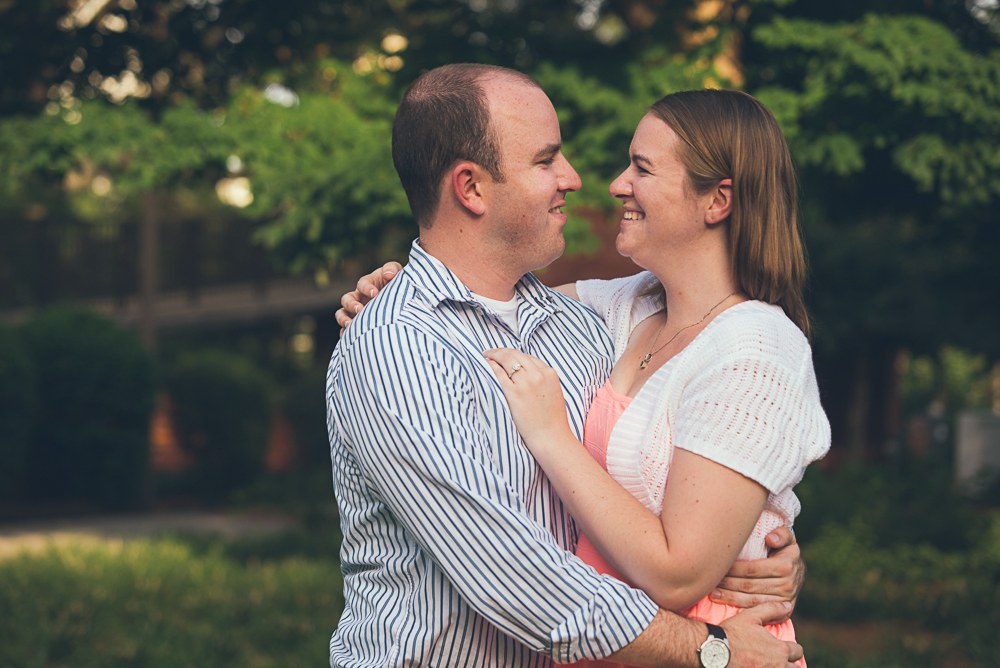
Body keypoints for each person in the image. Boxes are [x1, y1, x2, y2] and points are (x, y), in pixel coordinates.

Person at [327, 63, 805, 668]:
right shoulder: (397, 348)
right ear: (470, 189)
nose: (577, 180)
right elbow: (510, 574)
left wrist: (761, 545)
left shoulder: (586, 328)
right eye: (546, 159)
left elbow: (664, 476)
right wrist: (710, 649)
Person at [481, 89, 830, 667]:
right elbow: (480, 310)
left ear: (717, 201)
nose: (618, 185)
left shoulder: (758, 350)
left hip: (718, 651)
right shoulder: (628, 307)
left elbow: (677, 575)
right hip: (617, 644)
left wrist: (552, 437)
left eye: (642, 168)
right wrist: (394, 287)